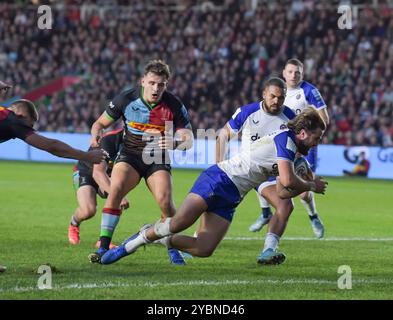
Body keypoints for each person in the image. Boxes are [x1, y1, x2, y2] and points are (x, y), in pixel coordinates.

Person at [99, 108, 328, 266]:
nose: (318, 143)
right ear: (303, 133)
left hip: (233, 194)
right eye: (317, 138)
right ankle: (131, 245)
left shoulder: (292, 153)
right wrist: (310, 185)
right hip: (220, 178)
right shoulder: (286, 139)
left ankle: (152, 235)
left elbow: (281, 191)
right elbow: (287, 182)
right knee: (179, 223)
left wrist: (303, 185)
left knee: (204, 249)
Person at [88, 60, 193, 265]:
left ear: (166, 84)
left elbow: (188, 139)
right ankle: (103, 247)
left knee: (165, 201)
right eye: (152, 83)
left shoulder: (174, 104)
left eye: (161, 84)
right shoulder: (126, 99)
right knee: (116, 190)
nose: (156, 88)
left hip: (157, 157)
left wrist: (177, 141)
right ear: (143, 81)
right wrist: (95, 136)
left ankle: (172, 248)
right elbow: (100, 123)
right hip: (130, 154)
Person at [0, 92, 106, 274]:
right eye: (30, 126)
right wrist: (86, 155)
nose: (29, 131)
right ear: (22, 115)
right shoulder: (14, 120)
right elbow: (52, 146)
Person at [249, 58, 330, 239]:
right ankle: (265, 213)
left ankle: (313, 216)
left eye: (298, 72)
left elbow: (324, 119)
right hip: (282, 143)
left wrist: (307, 130)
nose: (294, 75)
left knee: (302, 192)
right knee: (263, 174)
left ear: (303, 74)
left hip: (303, 145)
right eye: (291, 72)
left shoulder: (309, 91)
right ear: (284, 73)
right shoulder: (277, 92)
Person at [69, 128, 129, 246]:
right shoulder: (110, 139)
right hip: (85, 170)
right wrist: (119, 195)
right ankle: (74, 224)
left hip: (108, 174)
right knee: (88, 211)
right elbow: (98, 173)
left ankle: (103, 240)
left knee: (117, 199)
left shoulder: (138, 144)